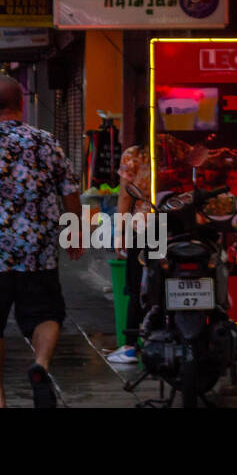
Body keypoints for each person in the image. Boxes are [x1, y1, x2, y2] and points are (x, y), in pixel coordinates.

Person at [0, 75, 81, 408]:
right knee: (46, 316)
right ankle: (41, 365)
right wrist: (74, 231)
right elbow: (70, 190)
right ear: (21, 104)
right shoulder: (46, 141)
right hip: (39, 253)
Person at [107, 146, 151, 365]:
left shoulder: (134, 154)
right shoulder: (178, 147)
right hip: (180, 222)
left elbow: (125, 195)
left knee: (136, 286)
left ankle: (131, 346)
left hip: (144, 225)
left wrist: (120, 232)